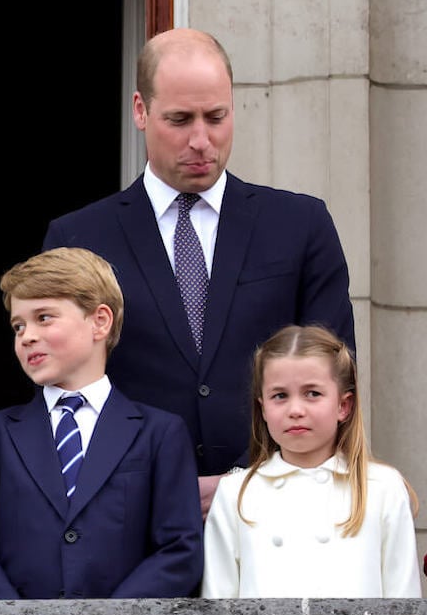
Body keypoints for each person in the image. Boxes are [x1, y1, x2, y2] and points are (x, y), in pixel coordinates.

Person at [41, 27, 356, 520]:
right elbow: (63, 396)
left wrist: (243, 483)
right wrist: (157, 487)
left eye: (217, 117)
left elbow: (333, 373)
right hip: (130, 519)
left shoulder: (301, 225)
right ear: (140, 111)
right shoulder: (78, 238)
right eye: (180, 120)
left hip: (279, 511)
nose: (201, 140)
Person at [0, 247, 203, 599]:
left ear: (100, 321)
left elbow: (179, 549)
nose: (27, 335)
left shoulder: (160, 433)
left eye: (44, 317)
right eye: (18, 325)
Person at [203, 324, 420, 615]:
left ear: (344, 405)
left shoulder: (382, 488)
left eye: (313, 394)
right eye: (280, 396)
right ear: (262, 407)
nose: (296, 409)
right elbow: (220, 612)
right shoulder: (236, 494)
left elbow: (403, 608)